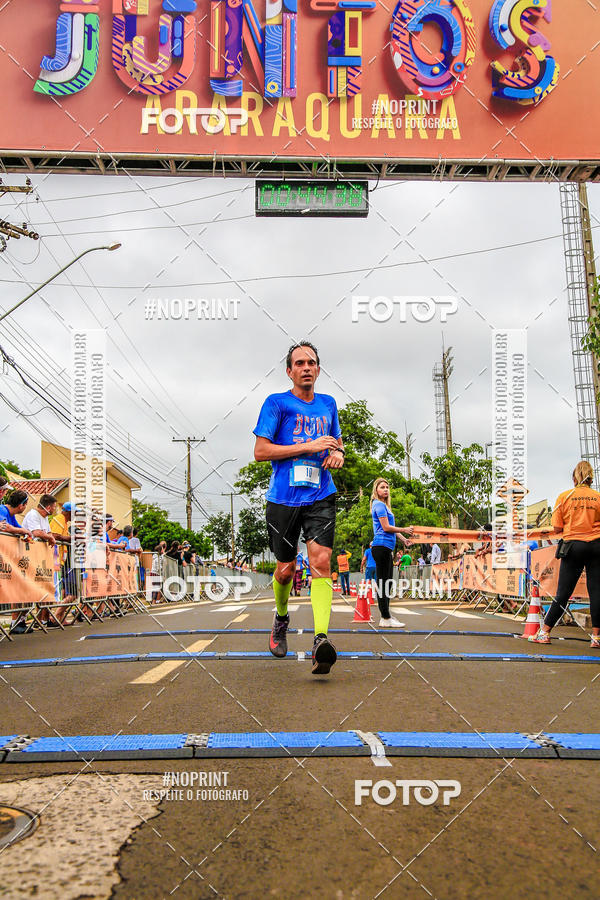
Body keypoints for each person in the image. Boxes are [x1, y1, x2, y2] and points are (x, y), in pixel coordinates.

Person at [254, 341, 344, 675]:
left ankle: (321, 639)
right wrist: (309, 445)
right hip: (283, 498)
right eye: (299, 363)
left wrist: (338, 454)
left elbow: (336, 442)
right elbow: (261, 451)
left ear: (318, 369)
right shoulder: (276, 404)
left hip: (320, 495)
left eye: (312, 362)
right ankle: (280, 617)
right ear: (289, 370)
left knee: (321, 562)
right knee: (286, 570)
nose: (306, 367)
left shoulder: (329, 404)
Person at [530, 461, 600, 648]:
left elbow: (557, 527)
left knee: (563, 593)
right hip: (596, 546)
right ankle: (596, 638)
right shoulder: (598, 497)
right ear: (591, 477)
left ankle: (544, 632)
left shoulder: (564, 497)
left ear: (574, 477)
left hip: (573, 546)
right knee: (596, 592)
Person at [370, 478, 413, 627]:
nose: (386, 489)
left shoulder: (385, 507)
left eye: (387, 487)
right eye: (382, 487)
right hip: (381, 547)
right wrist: (404, 529)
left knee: (387, 583)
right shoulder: (379, 505)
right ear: (376, 490)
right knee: (383, 583)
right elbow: (387, 527)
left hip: (386, 547)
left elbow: (391, 528)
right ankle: (385, 617)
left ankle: (386, 615)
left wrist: (403, 539)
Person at [0, 490, 33, 633]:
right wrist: (23, 532)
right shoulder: (3, 509)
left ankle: (17, 622)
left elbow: (21, 529)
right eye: (26, 505)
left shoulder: (11, 515)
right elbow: (5, 527)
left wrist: (26, 533)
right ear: (21, 505)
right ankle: (15, 622)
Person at [22, 494, 58, 626]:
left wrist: (49, 537)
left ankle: (43, 618)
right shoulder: (33, 515)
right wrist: (49, 538)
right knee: (30, 588)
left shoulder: (45, 517)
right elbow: (36, 532)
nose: (54, 510)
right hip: (29, 557)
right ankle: (20, 620)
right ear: (48, 507)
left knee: (46, 587)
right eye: (54, 507)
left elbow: (48, 533)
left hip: (42, 559)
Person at [49, 500, 78, 624]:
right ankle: (54, 616)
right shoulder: (59, 519)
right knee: (72, 592)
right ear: (69, 512)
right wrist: (72, 539)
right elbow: (55, 536)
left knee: (69, 591)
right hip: (55, 560)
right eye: (74, 512)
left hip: (62, 560)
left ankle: (60, 617)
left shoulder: (65, 522)